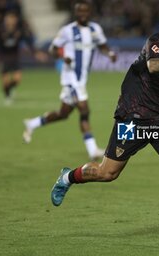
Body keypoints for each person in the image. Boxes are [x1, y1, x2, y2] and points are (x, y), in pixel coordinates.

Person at [50, 3, 159, 241]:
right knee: (107, 173)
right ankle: (68, 177)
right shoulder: (158, 41)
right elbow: (153, 66)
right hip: (133, 119)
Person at [23, 1, 117, 161]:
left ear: (90, 12)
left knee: (63, 114)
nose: (83, 14)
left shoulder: (95, 29)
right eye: (79, 12)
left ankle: (33, 123)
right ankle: (93, 150)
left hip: (81, 79)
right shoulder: (67, 30)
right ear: (75, 13)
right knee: (84, 109)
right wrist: (62, 56)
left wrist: (109, 53)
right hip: (70, 78)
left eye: (85, 11)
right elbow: (52, 48)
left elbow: (103, 45)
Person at [0, 10, 47, 103]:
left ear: (16, 20)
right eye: (9, 18)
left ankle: (9, 90)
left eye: (13, 18)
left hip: (15, 57)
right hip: (3, 58)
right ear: (5, 20)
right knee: (6, 81)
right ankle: (7, 95)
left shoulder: (19, 31)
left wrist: (36, 53)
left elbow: (28, 43)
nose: (11, 20)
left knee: (17, 79)